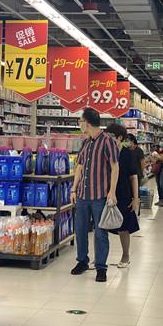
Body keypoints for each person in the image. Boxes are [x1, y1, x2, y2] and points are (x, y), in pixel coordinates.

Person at [70, 107, 119, 283]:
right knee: (80, 230)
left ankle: (101, 267)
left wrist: (112, 191)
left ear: (88, 123)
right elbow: (79, 167)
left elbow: (115, 167)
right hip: (82, 195)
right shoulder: (85, 143)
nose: (80, 124)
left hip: (100, 196)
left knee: (100, 232)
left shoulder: (107, 141)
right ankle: (82, 261)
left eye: (81, 121)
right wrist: (74, 189)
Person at [105, 124, 140, 268]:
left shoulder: (127, 154)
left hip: (124, 193)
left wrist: (136, 198)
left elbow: (134, 177)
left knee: (124, 227)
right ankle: (100, 258)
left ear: (119, 138)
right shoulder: (105, 152)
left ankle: (125, 256)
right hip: (106, 193)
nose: (108, 139)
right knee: (102, 226)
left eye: (111, 136)